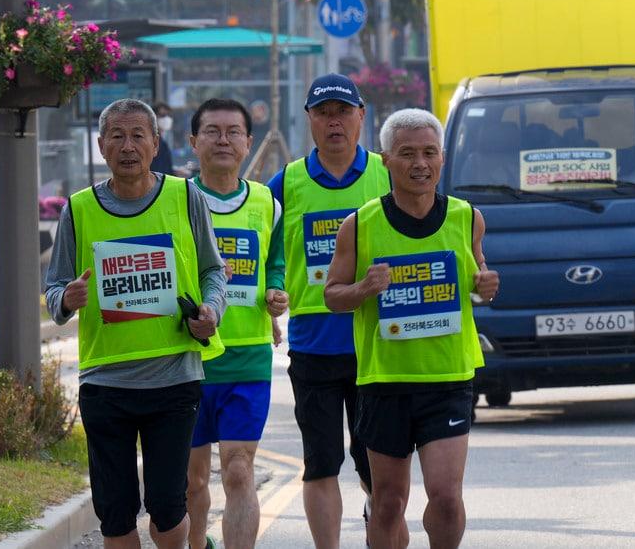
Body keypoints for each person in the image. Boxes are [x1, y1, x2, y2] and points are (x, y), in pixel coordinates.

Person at [43, 98, 228, 549]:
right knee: (115, 514)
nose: (128, 146)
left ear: (155, 143)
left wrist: (211, 311)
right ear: (102, 146)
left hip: (173, 379)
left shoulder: (185, 196)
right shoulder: (79, 208)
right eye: (117, 137)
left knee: (167, 508)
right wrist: (66, 298)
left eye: (137, 136)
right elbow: (53, 293)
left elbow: (213, 271)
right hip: (106, 382)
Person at [324, 108, 500, 549]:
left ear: (442, 158)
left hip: (447, 377)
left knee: (445, 499)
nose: (419, 164)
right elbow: (332, 294)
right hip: (385, 382)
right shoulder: (360, 224)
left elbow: (478, 283)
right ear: (386, 160)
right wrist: (365, 287)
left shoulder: (467, 217)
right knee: (387, 502)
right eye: (407, 154)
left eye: (428, 153)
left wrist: (485, 286)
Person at [266, 74, 390, 549]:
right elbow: (268, 254)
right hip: (315, 345)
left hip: (377, 345)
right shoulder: (286, 183)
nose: (334, 121)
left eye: (343, 111)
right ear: (310, 121)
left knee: (376, 464)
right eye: (323, 113)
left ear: (362, 116)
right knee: (320, 461)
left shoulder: (387, 174)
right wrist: (274, 292)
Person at [184, 98, 288, 549]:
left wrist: (275, 292)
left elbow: (276, 261)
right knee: (190, 481)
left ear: (249, 142)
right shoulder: (176, 198)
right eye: (212, 131)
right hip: (187, 358)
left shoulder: (266, 201)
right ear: (193, 142)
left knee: (239, 469)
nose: (223, 140)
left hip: (247, 357)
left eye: (233, 131)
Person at [151, 101, 177, 176]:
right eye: (162, 115)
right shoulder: (154, 141)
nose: (166, 119)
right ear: (153, 117)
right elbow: (158, 171)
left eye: (169, 115)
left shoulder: (162, 140)